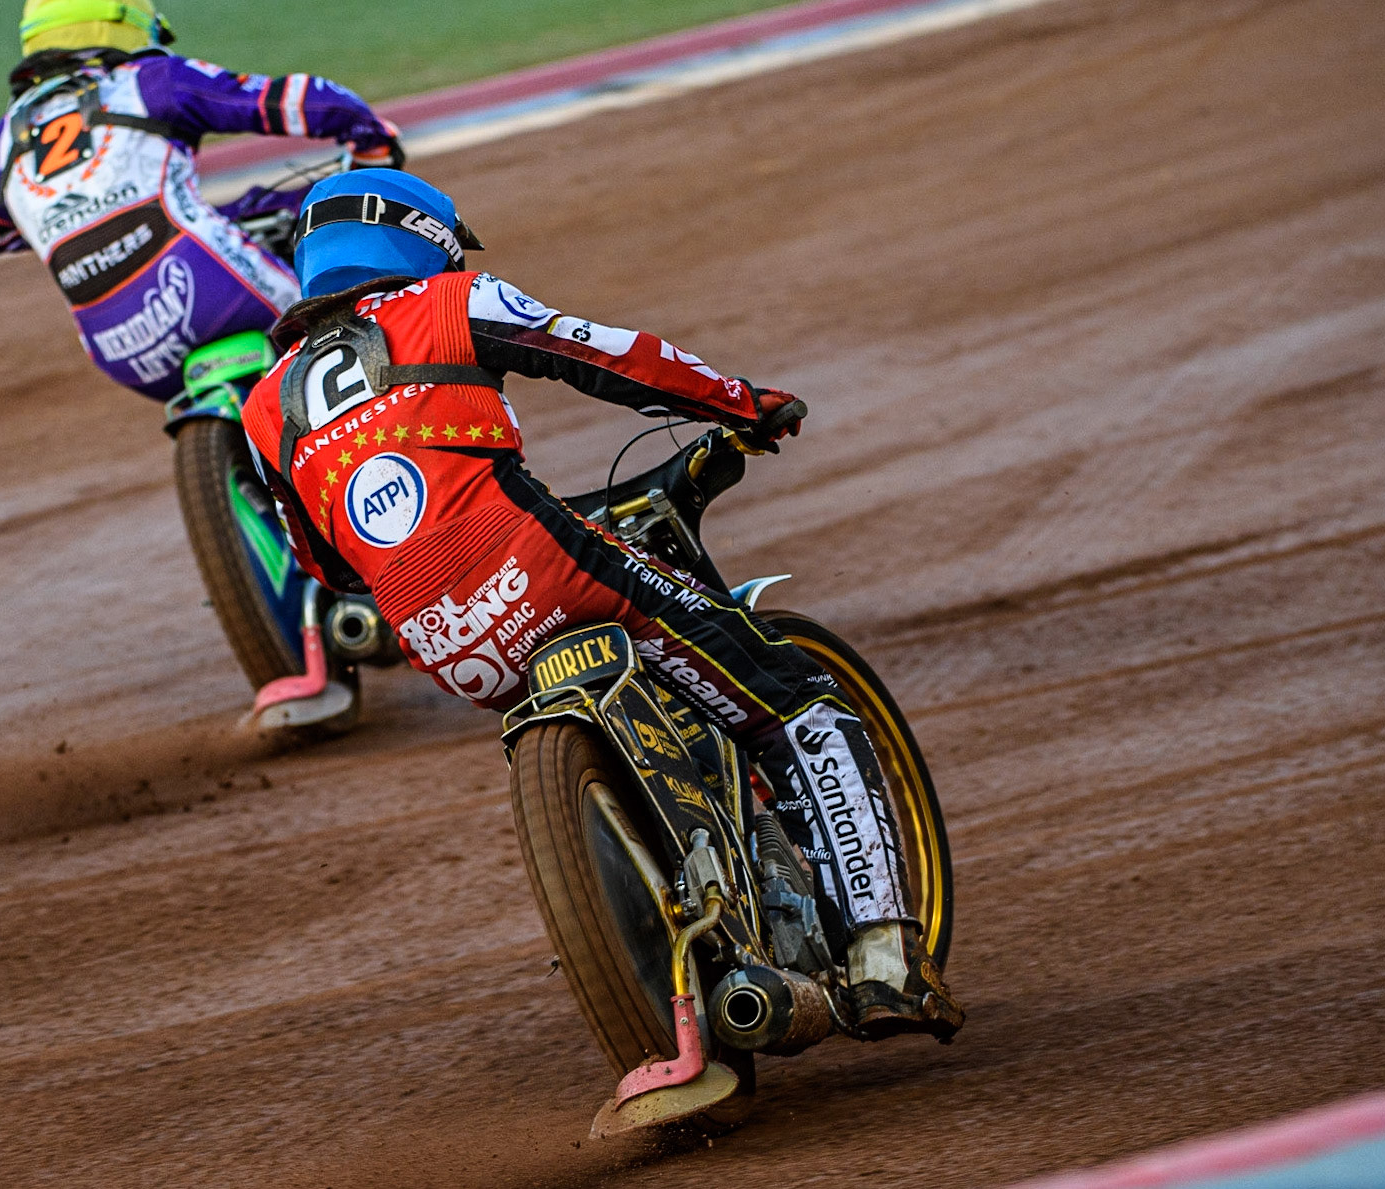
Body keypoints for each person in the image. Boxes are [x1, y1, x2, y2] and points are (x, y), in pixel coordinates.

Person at [238, 169, 965, 1041]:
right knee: (797, 699)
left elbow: (327, 565)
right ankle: (886, 957)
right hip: (549, 568)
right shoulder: (450, 301)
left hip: (446, 644)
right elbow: (612, 356)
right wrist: (744, 404)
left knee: (600, 649)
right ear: (419, 241)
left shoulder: (262, 407)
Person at [0, 0, 404, 402]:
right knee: (362, 324)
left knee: (239, 212)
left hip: (121, 351)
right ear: (127, 25)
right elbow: (288, 101)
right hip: (216, 290)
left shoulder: (2, 139)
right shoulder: (149, 80)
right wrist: (370, 136)